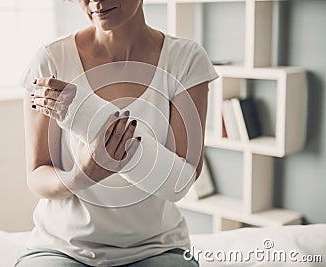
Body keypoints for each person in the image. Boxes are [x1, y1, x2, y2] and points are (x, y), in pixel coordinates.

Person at [15, 0, 218, 266]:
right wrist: (83, 175)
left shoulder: (185, 58)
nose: (96, 2)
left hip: (156, 247)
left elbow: (179, 182)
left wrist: (84, 113)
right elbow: (37, 176)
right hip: (62, 246)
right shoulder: (50, 60)